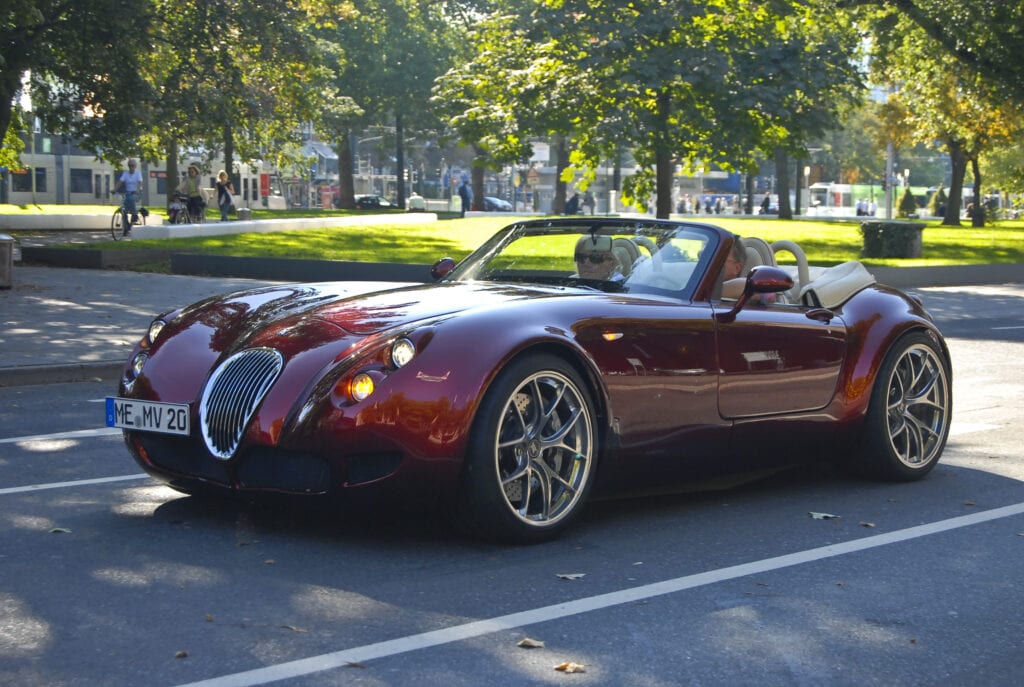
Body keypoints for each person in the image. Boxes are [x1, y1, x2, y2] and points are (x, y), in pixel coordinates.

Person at [114, 159, 142, 236]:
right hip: (128, 193)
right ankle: (126, 227)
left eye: (132, 165)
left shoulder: (138, 173)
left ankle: (134, 215)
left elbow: (139, 183)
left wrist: (137, 190)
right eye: (129, 165)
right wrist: (114, 189)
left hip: (136, 193)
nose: (131, 167)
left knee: (130, 199)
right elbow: (120, 182)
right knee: (124, 210)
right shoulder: (125, 174)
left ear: (135, 166)